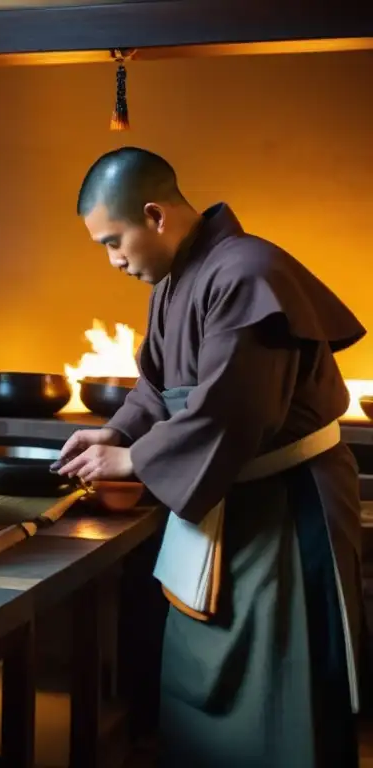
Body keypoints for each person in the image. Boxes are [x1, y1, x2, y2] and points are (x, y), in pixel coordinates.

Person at [56, 147, 365, 767]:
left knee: (281, 692)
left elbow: (234, 409)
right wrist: (116, 433)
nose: (113, 261)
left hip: (284, 514)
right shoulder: (176, 280)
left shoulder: (248, 273)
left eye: (114, 242)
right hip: (227, 506)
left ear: (155, 215)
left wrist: (136, 461)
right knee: (202, 686)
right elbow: (155, 386)